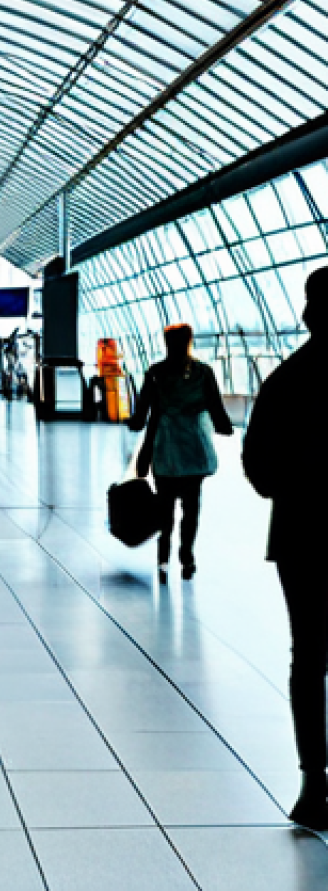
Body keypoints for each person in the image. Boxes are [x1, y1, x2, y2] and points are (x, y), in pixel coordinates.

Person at [243, 265, 328, 830]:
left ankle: (312, 782)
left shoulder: (286, 378)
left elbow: (256, 462)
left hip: (300, 535)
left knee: (309, 657)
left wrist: (291, 488)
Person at [129, 323, 233, 582]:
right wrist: (225, 427)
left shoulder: (155, 373)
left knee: (164, 507)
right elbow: (217, 410)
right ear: (190, 341)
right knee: (191, 508)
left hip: (165, 451)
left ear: (166, 343)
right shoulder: (203, 373)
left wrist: (135, 429)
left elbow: (143, 417)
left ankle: (163, 559)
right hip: (194, 451)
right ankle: (187, 556)